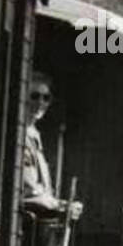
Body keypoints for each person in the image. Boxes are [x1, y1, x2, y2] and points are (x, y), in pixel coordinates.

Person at [22, 72, 83, 221]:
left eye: (46, 98)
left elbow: (41, 193)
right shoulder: (20, 136)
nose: (40, 103)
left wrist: (62, 204)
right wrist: (60, 205)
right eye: (35, 96)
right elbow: (29, 190)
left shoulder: (34, 135)